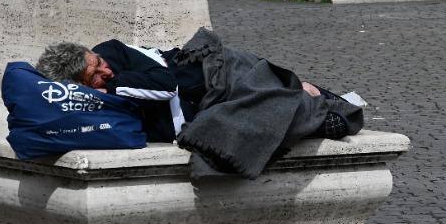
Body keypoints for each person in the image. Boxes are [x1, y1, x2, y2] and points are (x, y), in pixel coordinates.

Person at [34, 39, 348, 143]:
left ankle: (324, 99)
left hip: (210, 73)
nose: (106, 70)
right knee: (257, 120)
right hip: (203, 109)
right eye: (96, 75)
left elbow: (164, 84)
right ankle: (317, 113)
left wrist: (112, 85)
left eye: (98, 62)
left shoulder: (112, 52)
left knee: (288, 87)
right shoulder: (85, 100)